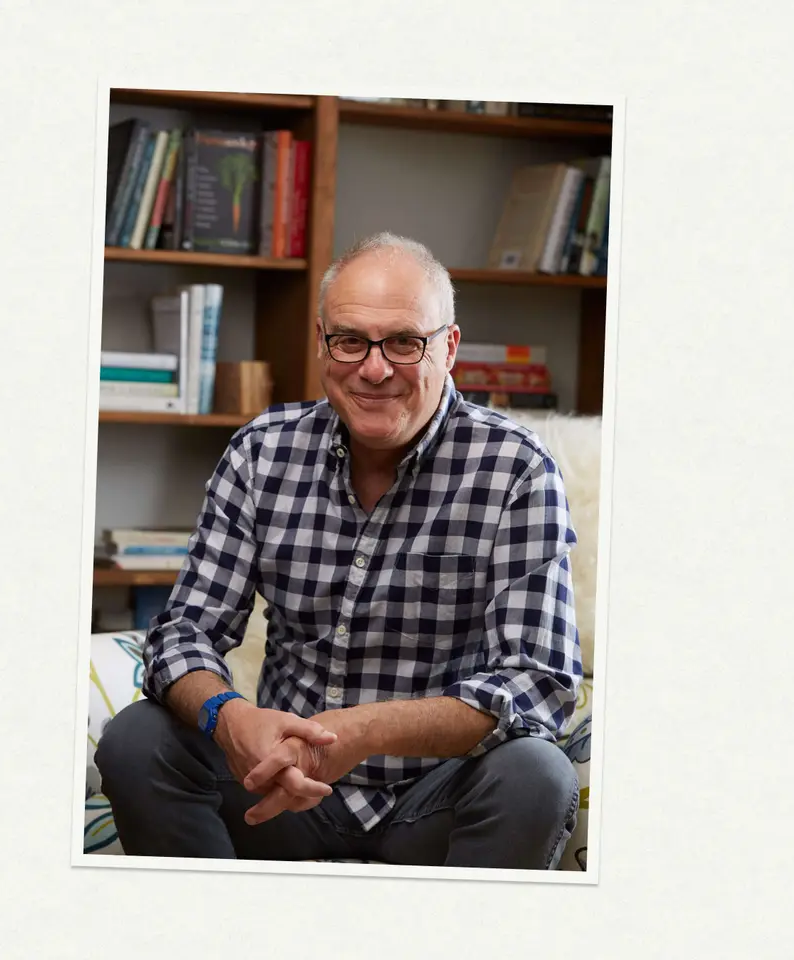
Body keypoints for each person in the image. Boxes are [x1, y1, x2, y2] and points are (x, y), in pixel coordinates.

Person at [95, 232, 583, 869]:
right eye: (350, 339)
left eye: (405, 342)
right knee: (138, 740)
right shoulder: (262, 452)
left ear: (449, 347)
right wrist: (232, 719)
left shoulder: (517, 469)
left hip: (433, 802)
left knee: (536, 775)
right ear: (322, 339)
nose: (373, 368)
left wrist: (361, 733)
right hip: (273, 795)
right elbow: (184, 632)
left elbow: (535, 683)